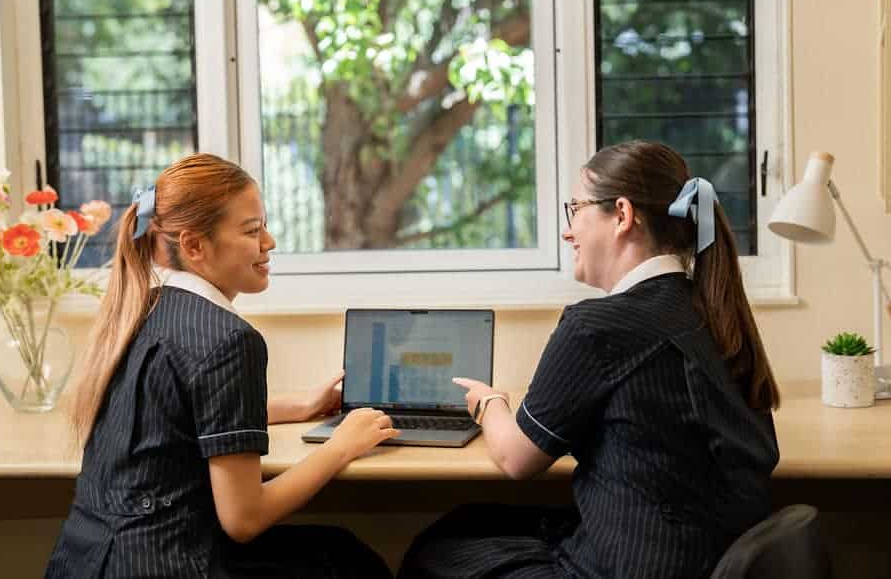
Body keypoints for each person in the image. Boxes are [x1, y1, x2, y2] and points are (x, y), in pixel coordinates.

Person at [399, 140, 781, 579]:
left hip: (629, 565)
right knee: (470, 520)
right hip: (691, 553)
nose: (567, 230)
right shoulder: (707, 310)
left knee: (433, 553)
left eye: (576, 209)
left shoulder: (597, 326)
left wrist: (490, 404)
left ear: (622, 214)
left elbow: (515, 459)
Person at [46, 153, 399, 578]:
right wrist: (341, 447)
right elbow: (244, 519)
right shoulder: (229, 338)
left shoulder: (137, 311)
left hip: (87, 563)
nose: (268, 242)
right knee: (352, 563)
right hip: (168, 565)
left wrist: (301, 407)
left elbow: (176, 420)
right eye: (253, 231)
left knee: (335, 550)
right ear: (194, 245)